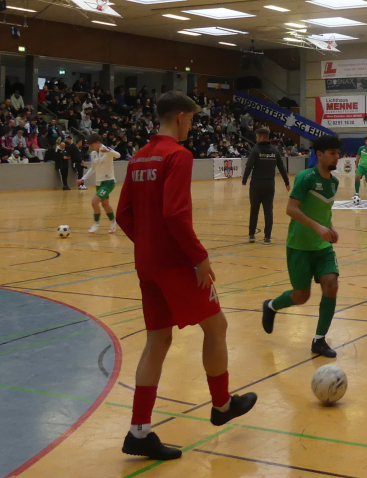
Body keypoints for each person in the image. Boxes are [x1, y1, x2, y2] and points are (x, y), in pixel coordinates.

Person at [115, 91, 257, 460]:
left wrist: (147, 243)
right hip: (176, 264)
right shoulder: (178, 155)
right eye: (191, 119)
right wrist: (199, 258)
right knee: (217, 326)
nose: (191, 126)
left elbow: (123, 215)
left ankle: (139, 431)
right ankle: (222, 405)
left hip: (147, 264)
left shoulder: (138, 157)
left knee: (157, 341)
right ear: (179, 116)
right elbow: (174, 213)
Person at [262, 135, 342, 358]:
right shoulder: (305, 178)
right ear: (319, 154)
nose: (337, 157)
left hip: (322, 248)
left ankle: (319, 340)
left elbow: (324, 212)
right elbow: (291, 209)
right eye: (332, 153)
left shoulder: (334, 183)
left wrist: (330, 229)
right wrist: (317, 227)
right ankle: (271, 306)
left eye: (338, 153)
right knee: (301, 296)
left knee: (332, 284)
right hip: (299, 246)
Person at [241, 128, 289, 243]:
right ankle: (267, 237)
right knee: (268, 210)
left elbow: (249, 166)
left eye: (257, 137)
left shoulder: (255, 150)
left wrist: (244, 180)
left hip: (256, 184)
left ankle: (252, 235)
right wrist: (286, 182)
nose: (256, 139)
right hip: (269, 184)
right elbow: (282, 167)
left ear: (262, 137)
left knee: (254, 210)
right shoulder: (274, 150)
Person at [83, 133, 121, 234]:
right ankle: (113, 222)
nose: (91, 147)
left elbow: (118, 155)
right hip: (99, 183)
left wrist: (109, 151)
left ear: (98, 143)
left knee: (94, 202)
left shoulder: (107, 149)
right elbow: (93, 168)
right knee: (105, 204)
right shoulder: (93, 154)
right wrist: (83, 178)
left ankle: (96, 223)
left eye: (92, 144)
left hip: (108, 182)